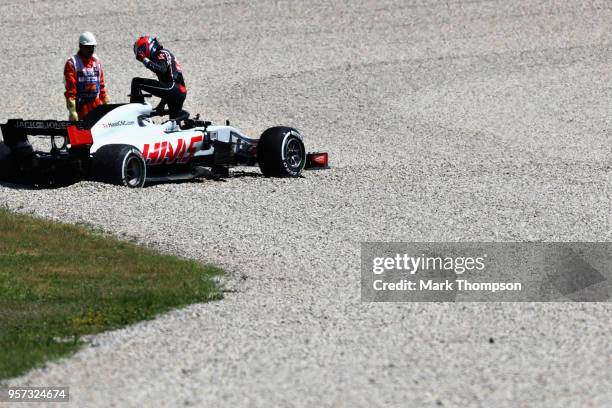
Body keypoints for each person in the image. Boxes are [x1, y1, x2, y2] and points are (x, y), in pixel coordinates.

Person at [131, 36, 187, 119]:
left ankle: (133, 115)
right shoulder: (160, 57)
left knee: (137, 82)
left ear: (148, 46)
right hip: (178, 92)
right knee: (174, 124)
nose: (140, 54)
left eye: (141, 51)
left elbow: (161, 70)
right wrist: (161, 104)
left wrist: (144, 59)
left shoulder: (162, 53)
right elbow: (167, 83)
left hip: (174, 89)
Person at [64, 32, 109, 121]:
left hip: (96, 106)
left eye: (92, 47)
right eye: (88, 47)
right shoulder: (72, 63)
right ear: (80, 46)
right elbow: (70, 90)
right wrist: (72, 111)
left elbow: (101, 85)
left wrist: (106, 104)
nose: (91, 50)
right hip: (80, 108)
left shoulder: (97, 62)